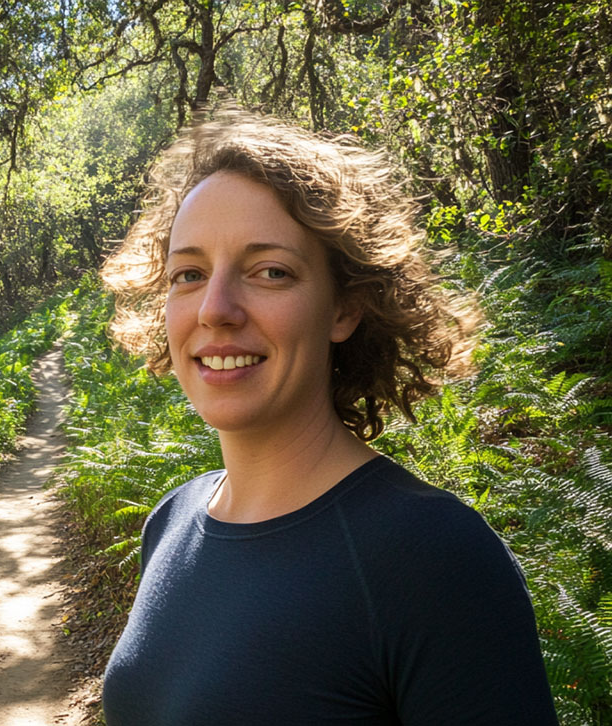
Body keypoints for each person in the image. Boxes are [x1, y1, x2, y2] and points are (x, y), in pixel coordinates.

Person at [97, 111, 558, 725]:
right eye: (189, 274)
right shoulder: (171, 522)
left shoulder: (435, 560)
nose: (215, 309)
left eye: (270, 271)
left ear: (344, 307)